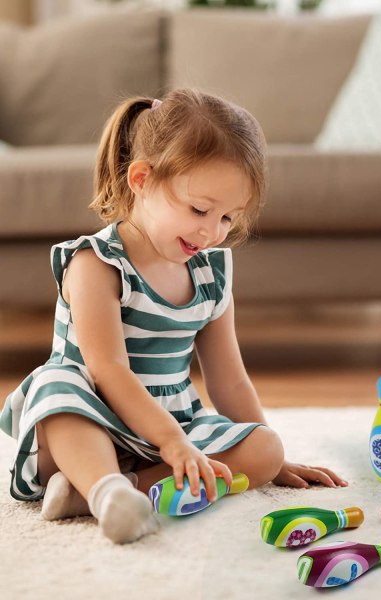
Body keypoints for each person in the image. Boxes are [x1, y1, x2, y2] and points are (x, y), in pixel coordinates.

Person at [0, 89, 346, 544]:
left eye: (228, 218)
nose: (211, 230)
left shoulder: (211, 271)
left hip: (172, 425)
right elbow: (108, 370)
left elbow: (230, 381)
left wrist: (271, 460)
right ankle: (100, 482)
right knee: (57, 388)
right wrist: (172, 443)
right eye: (200, 209)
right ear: (141, 179)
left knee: (264, 448)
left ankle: (115, 494)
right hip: (91, 419)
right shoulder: (96, 264)